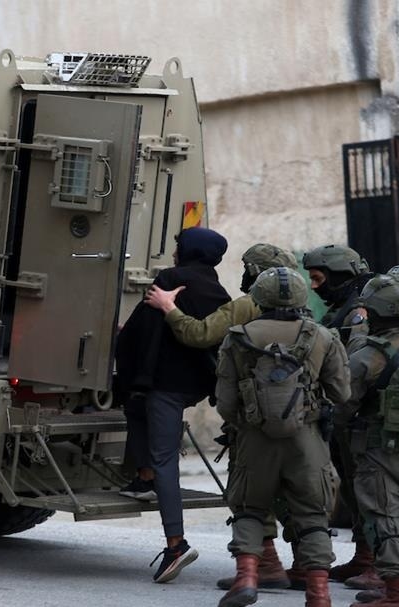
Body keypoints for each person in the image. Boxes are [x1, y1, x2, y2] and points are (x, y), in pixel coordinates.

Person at [144, 243, 299, 591]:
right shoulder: (305, 316)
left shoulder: (247, 305)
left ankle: (264, 565)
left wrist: (168, 307)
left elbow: (200, 334)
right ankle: (306, 568)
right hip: (298, 416)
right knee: (297, 488)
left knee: (248, 489)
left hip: (253, 414)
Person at [214, 267, 350, 607]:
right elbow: (341, 393)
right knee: (313, 515)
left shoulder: (237, 336)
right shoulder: (323, 337)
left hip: (254, 439)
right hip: (307, 441)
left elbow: (226, 404)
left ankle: (246, 578)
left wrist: (249, 422)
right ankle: (318, 594)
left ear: (259, 297)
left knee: (249, 509)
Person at [115, 226, 231, 583]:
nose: (175, 252)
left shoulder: (170, 279)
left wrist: (131, 366)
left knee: (165, 458)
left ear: (189, 251)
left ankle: (176, 545)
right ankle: (144, 476)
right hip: (195, 385)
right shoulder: (219, 291)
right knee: (136, 409)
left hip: (163, 384)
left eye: (179, 246)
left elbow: (139, 330)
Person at [303, 244, 379, 589]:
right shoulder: (343, 309)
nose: (314, 286)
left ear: (339, 275)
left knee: (371, 491)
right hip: (344, 412)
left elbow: (359, 362)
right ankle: (365, 555)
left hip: (360, 412)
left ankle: (382, 563)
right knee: (351, 487)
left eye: (319, 279)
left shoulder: (360, 312)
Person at [333, 275, 399, 607]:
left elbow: (341, 404)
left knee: (383, 517)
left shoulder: (368, 355)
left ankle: (398, 593)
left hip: (380, 449)